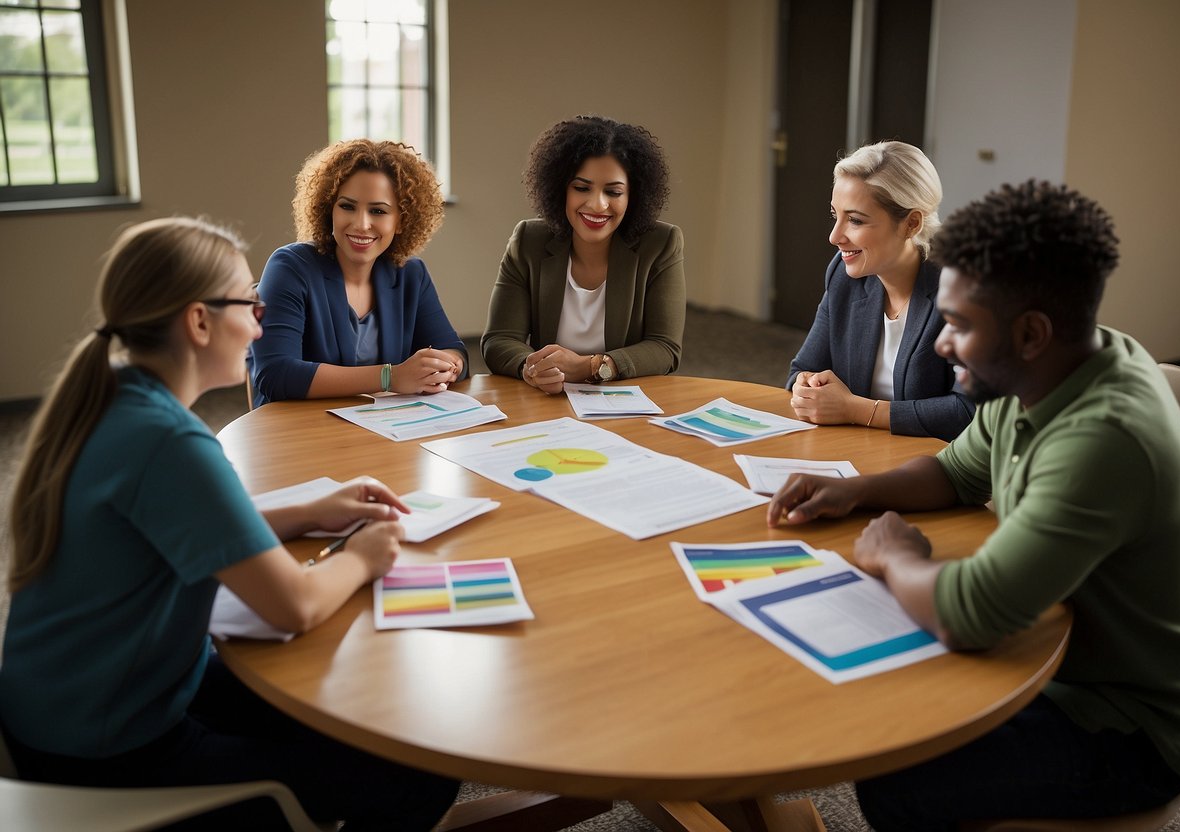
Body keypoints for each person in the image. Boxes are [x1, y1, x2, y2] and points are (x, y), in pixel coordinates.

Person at [768, 181, 1180, 829]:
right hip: (1061, 657)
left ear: (1029, 332)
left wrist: (894, 557)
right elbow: (954, 471)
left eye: (957, 326)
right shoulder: (1047, 365)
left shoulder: (1100, 440)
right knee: (869, 696)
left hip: (1127, 725)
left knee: (896, 776)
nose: (941, 345)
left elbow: (967, 612)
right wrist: (855, 491)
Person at [0, 218, 459, 831]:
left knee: (353, 707)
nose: (261, 319)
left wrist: (311, 510)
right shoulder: (171, 444)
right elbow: (293, 605)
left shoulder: (116, 395)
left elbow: (177, 525)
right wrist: (365, 555)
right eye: (248, 301)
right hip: (110, 746)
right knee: (417, 770)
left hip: (80, 701)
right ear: (198, 321)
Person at [250, 139, 467, 407]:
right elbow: (276, 375)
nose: (361, 224)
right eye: (347, 206)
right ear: (329, 208)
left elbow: (453, 349)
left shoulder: (411, 274)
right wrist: (390, 377)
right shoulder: (290, 267)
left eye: (378, 211)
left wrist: (447, 365)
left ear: (402, 220)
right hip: (299, 432)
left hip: (381, 430)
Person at [481, 114, 685, 392]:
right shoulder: (529, 240)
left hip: (624, 399)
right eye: (581, 188)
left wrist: (595, 366)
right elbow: (499, 339)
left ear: (632, 197)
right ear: (560, 189)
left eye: (613, 192)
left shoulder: (661, 244)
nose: (597, 205)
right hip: (548, 398)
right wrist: (532, 368)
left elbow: (665, 347)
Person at [786, 141, 973, 440]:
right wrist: (807, 388)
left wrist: (854, 409)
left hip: (935, 467)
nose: (835, 236)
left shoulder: (964, 289)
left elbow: (967, 411)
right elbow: (802, 369)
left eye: (856, 220)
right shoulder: (844, 275)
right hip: (860, 451)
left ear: (911, 224)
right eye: (836, 216)